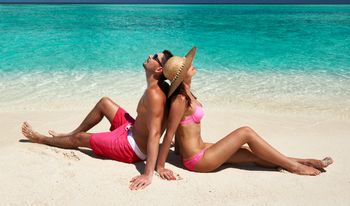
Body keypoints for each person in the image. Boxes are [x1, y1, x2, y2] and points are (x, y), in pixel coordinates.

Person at [156, 47, 333, 179]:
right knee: (245, 132)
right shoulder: (179, 100)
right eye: (188, 66)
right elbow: (170, 133)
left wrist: (178, 150)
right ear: (181, 76)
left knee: (249, 152)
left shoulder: (188, 93)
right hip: (198, 160)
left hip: (203, 149)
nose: (192, 65)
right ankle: (295, 168)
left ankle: (303, 161)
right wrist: (161, 167)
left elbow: (182, 132)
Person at [22, 50, 173, 190]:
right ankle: (70, 133)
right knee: (104, 103)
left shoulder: (155, 94)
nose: (150, 56)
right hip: (131, 128)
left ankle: (42, 139)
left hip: (132, 148)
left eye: (154, 57)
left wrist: (148, 174)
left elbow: (155, 133)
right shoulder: (160, 87)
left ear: (159, 69)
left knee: (80, 139)